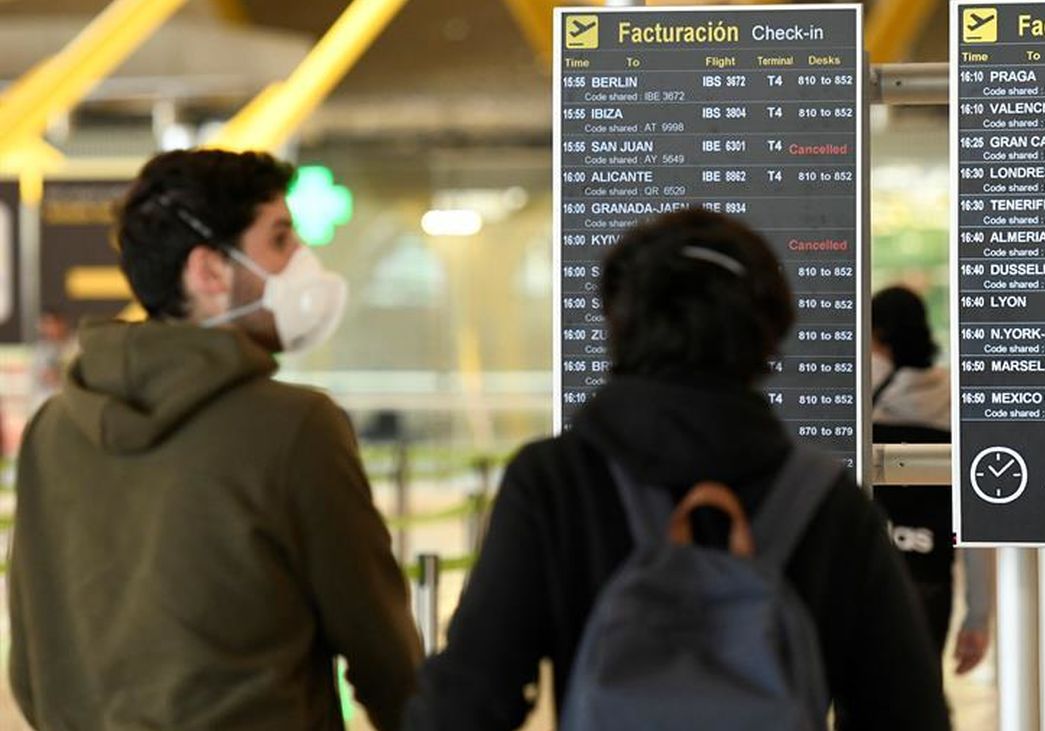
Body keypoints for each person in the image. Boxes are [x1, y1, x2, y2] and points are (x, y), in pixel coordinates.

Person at [404, 209, 950, 729]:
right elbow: (907, 713)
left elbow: (469, 699)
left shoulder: (556, 482)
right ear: (769, 335)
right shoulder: (829, 503)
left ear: (618, 324)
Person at [8, 149, 421, 730]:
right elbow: (383, 653)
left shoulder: (53, 431)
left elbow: (31, 664)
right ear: (208, 271)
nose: (303, 262)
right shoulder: (296, 429)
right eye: (280, 241)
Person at [870, 285, 992, 675]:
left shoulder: (862, 400)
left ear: (879, 337)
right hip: (931, 579)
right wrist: (978, 615)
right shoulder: (957, 401)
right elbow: (974, 523)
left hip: (869, 576)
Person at [29, 308, 77, 412]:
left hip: (71, 405)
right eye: (45, 325)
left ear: (62, 323)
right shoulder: (40, 350)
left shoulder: (76, 346)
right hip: (46, 406)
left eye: (51, 324)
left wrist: (62, 375)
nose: (48, 329)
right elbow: (40, 377)